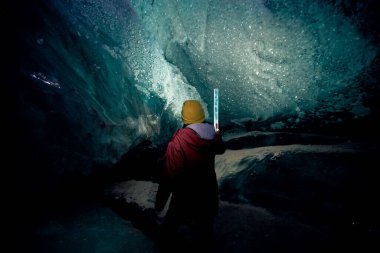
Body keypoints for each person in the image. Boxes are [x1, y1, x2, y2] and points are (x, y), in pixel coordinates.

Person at [155, 99, 226, 252]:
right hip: (208, 192)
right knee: (205, 234)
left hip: (184, 196)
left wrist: (160, 201)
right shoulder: (212, 133)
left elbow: (169, 174)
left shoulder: (178, 141)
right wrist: (217, 132)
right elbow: (221, 149)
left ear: (184, 117)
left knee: (168, 231)